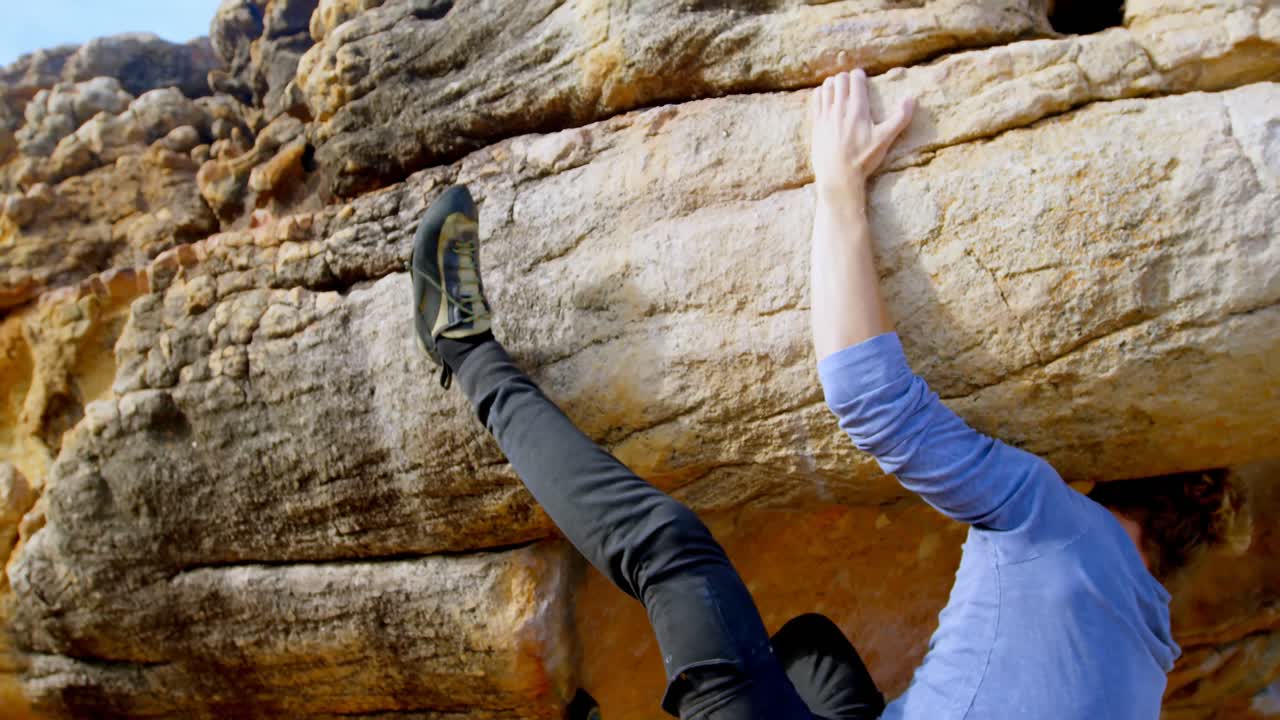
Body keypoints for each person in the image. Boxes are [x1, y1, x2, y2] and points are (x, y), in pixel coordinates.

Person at [408, 69, 1211, 719]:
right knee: (809, 652)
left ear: (1119, 465)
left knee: (671, 551)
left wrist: (838, 186)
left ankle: (461, 348)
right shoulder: (1148, 672)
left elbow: (869, 396)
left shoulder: (1050, 517)